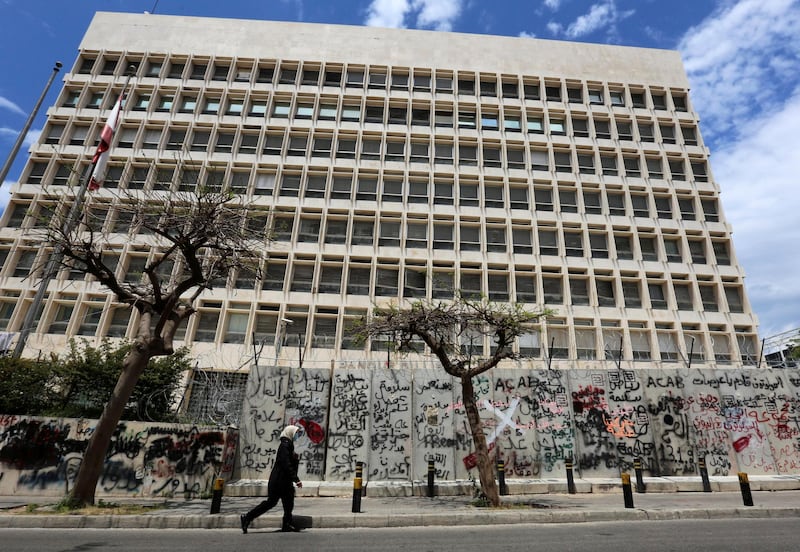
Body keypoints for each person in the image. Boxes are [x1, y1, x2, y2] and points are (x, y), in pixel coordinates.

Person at [240, 424, 303, 533]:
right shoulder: (285, 445)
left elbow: (288, 463)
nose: (297, 435)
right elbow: (286, 464)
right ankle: (247, 518)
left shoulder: (288, 445)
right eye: (296, 433)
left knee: (288, 502)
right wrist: (296, 479)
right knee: (271, 503)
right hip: (279, 482)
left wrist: (295, 460)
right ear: (290, 433)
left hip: (283, 481)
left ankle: (287, 524)